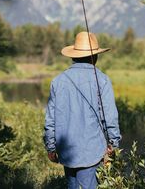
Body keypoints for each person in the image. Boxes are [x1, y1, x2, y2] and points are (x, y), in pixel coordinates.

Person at [44, 31, 121, 189]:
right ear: (96, 56)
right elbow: (110, 116)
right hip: (92, 152)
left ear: (73, 56)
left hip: (67, 152)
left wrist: (51, 147)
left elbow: (50, 119)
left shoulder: (58, 81)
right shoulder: (103, 80)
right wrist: (114, 144)